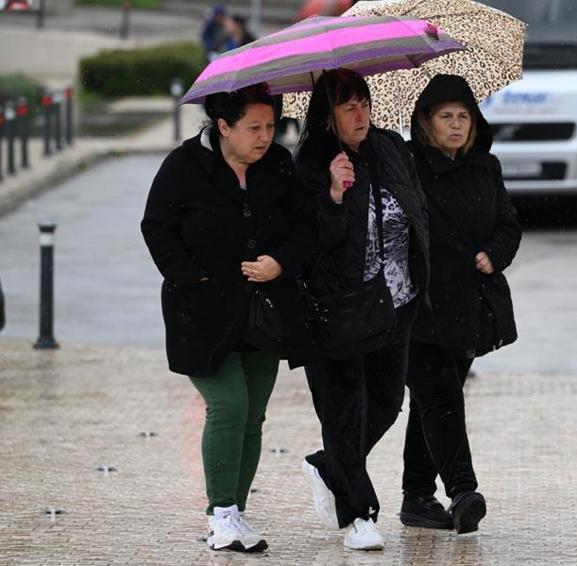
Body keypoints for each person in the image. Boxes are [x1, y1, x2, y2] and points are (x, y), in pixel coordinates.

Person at [141, 82, 314, 553]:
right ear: (223, 126)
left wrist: (280, 262)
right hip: (201, 313)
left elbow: (304, 228)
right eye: (253, 128)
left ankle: (235, 513)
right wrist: (193, 278)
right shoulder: (184, 166)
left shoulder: (279, 165)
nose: (265, 136)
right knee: (229, 404)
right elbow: (156, 227)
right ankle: (220, 514)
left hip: (263, 313)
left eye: (271, 126)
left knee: (253, 416)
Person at [294, 68, 429, 551]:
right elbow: (308, 242)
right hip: (338, 307)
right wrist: (334, 195)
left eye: (364, 104)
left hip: (396, 302)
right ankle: (359, 515)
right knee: (345, 411)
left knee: (387, 404)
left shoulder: (390, 148)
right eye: (348, 106)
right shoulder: (309, 165)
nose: (360, 114)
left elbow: (416, 207)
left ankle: (328, 465)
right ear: (327, 116)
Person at [401, 74, 521, 534]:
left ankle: (416, 496)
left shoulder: (485, 167)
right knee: (442, 398)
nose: (455, 125)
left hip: (470, 307)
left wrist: (494, 254)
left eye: (463, 117)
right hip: (420, 306)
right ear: (426, 123)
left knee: (430, 402)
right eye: (445, 117)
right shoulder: (408, 165)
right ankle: (462, 490)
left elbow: (508, 225)